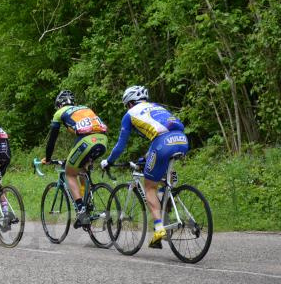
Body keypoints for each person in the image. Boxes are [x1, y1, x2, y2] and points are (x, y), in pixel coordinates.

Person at [100, 85, 189, 248]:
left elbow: (120, 145)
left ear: (129, 103)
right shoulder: (156, 107)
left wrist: (109, 161)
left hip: (163, 143)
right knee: (163, 177)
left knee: (149, 187)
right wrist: (144, 158)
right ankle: (166, 198)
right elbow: (160, 135)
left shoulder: (130, 114)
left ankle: (159, 228)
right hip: (182, 140)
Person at [41, 90, 108, 228]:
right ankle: (87, 203)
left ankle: (82, 211)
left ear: (59, 104)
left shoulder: (60, 113)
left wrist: (48, 158)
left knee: (69, 173)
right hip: (103, 141)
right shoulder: (85, 108)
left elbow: (52, 139)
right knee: (81, 169)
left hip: (86, 141)